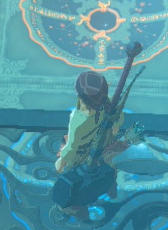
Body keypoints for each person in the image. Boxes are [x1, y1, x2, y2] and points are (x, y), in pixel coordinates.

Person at [52, 68, 142, 219]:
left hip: (86, 160)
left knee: (76, 186)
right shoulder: (111, 103)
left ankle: (81, 211)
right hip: (107, 148)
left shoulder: (79, 119)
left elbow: (73, 148)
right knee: (109, 171)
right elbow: (117, 124)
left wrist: (61, 161)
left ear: (79, 94)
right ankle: (112, 191)